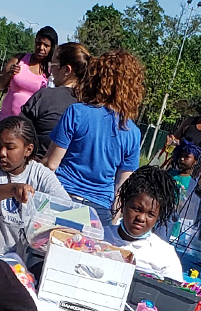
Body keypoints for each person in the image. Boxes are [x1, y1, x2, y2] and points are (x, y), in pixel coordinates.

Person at [43, 48, 145, 224]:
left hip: (62, 196)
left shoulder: (76, 112)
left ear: (98, 78)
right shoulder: (133, 132)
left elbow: (51, 164)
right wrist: (112, 222)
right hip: (98, 211)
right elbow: (121, 189)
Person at [0, 115, 71, 259]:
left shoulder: (41, 174)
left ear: (28, 150)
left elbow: (68, 209)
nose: (2, 153)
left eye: (10, 147)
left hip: (21, 259)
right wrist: (13, 189)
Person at [103, 166, 182, 280]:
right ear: (124, 203)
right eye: (136, 209)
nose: (141, 218)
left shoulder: (165, 255)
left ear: (158, 217)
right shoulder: (100, 237)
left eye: (150, 214)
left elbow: (174, 288)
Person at [20, 42, 86, 159]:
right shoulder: (91, 105)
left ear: (67, 70)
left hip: (35, 163)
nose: (51, 70)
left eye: (53, 64)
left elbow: (17, 132)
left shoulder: (45, 96)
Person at [0, 26, 58, 119]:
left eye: (46, 45)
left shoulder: (52, 70)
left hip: (29, 126)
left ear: (52, 48)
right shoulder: (19, 59)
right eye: (38, 43)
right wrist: (9, 74)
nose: (41, 48)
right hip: (4, 120)